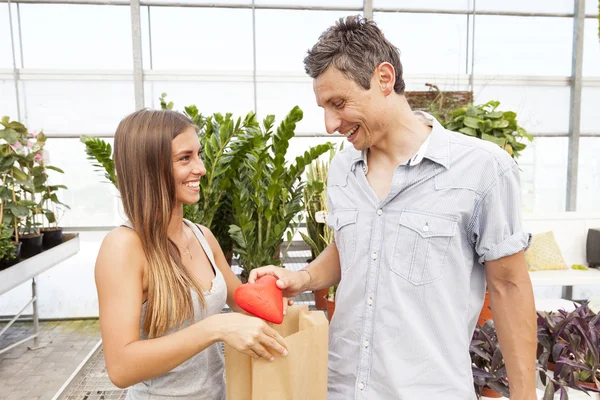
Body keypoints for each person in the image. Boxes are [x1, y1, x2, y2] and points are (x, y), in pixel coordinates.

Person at [249, 15, 537, 400]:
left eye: (339, 103)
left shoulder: (483, 168)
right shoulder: (342, 169)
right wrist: (301, 279)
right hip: (340, 389)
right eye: (324, 107)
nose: (330, 123)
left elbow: (509, 285)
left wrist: (524, 395)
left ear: (384, 78)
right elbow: (355, 245)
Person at [94, 109, 289, 400]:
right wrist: (215, 328)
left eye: (198, 155)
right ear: (149, 166)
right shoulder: (124, 247)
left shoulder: (201, 235)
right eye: (185, 158)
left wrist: (272, 285)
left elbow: (241, 304)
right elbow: (121, 368)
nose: (201, 168)